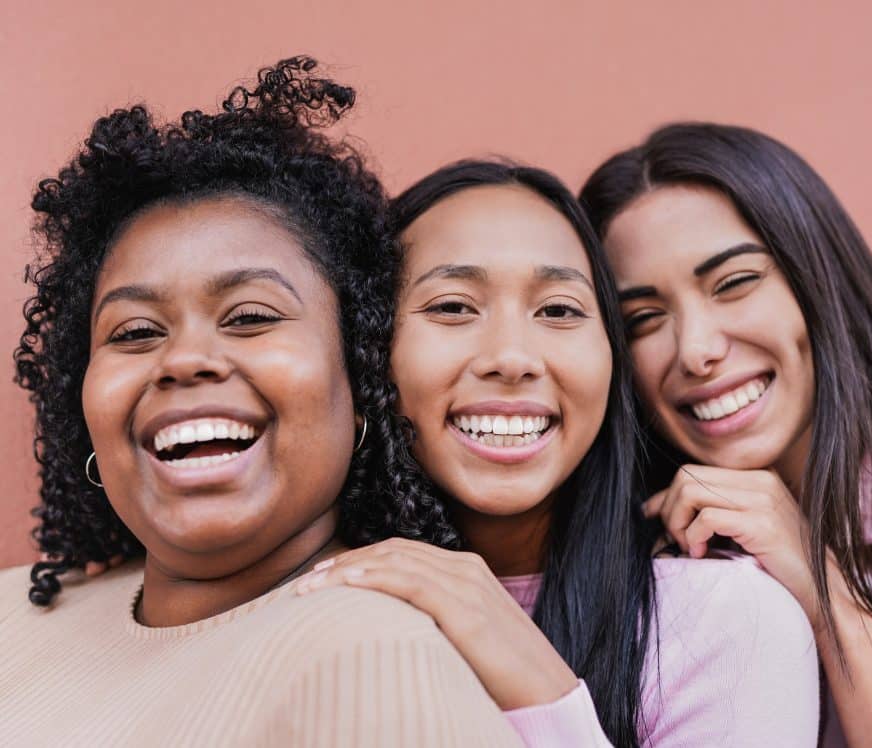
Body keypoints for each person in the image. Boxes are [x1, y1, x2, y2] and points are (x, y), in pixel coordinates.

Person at [0, 57, 521, 747]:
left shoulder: (376, 657)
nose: (184, 359)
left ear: (360, 383)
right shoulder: (15, 612)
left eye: (250, 317)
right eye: (134, 332)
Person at [300, 160, 820, 746]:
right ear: (371, 349)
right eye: (452, 307)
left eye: (558, 310)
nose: (512, 356)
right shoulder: (313, 600)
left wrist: (535, 681)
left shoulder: (729, 620)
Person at [578, 122, 872, 747]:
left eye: (734, 284)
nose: (697, 350)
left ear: (820, 279)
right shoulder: (656, 565)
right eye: (644, 319)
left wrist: (823, 590)